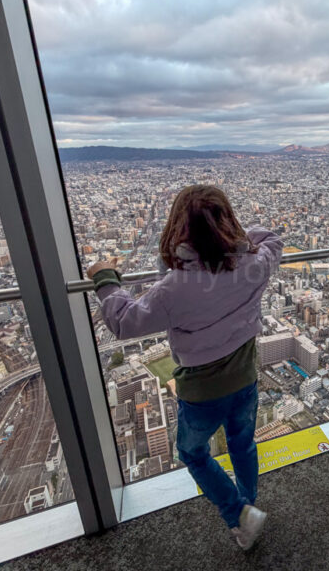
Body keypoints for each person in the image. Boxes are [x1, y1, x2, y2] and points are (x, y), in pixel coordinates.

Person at [87, 184, 283, 550]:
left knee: (192, 452)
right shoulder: (254, 265)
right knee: (243, 444)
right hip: (245, 377)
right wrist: (239, 240)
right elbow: (270, 239)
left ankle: (239, 513)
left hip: (200, 392)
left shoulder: (172, 288)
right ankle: (249, 502)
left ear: (178, 229)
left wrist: (106, 280)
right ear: (227, 221)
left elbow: (126, 322)